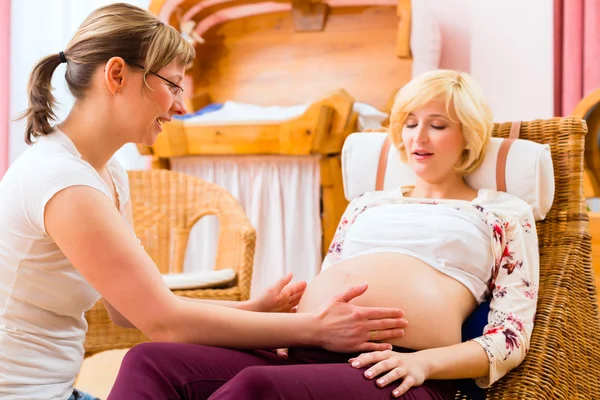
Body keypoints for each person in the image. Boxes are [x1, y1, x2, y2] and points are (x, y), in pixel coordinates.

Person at [0, 3, 409, 400]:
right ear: (118, 75)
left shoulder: (106, 173)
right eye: (173, 84)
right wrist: (314, 329)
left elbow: (129, 311)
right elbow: (163, 321)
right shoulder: (64, 181)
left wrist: (254, 309)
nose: (181, 105)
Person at [107, 69, 540, 400]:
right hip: (306, 345)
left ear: (469, 135)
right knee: (149, 360)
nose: (417, 137)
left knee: (257, 388)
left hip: (398, 368)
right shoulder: (368, 204)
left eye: (438, 125)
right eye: (409, 123)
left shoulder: (501, 211)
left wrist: (425, 365)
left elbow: (511, 335)